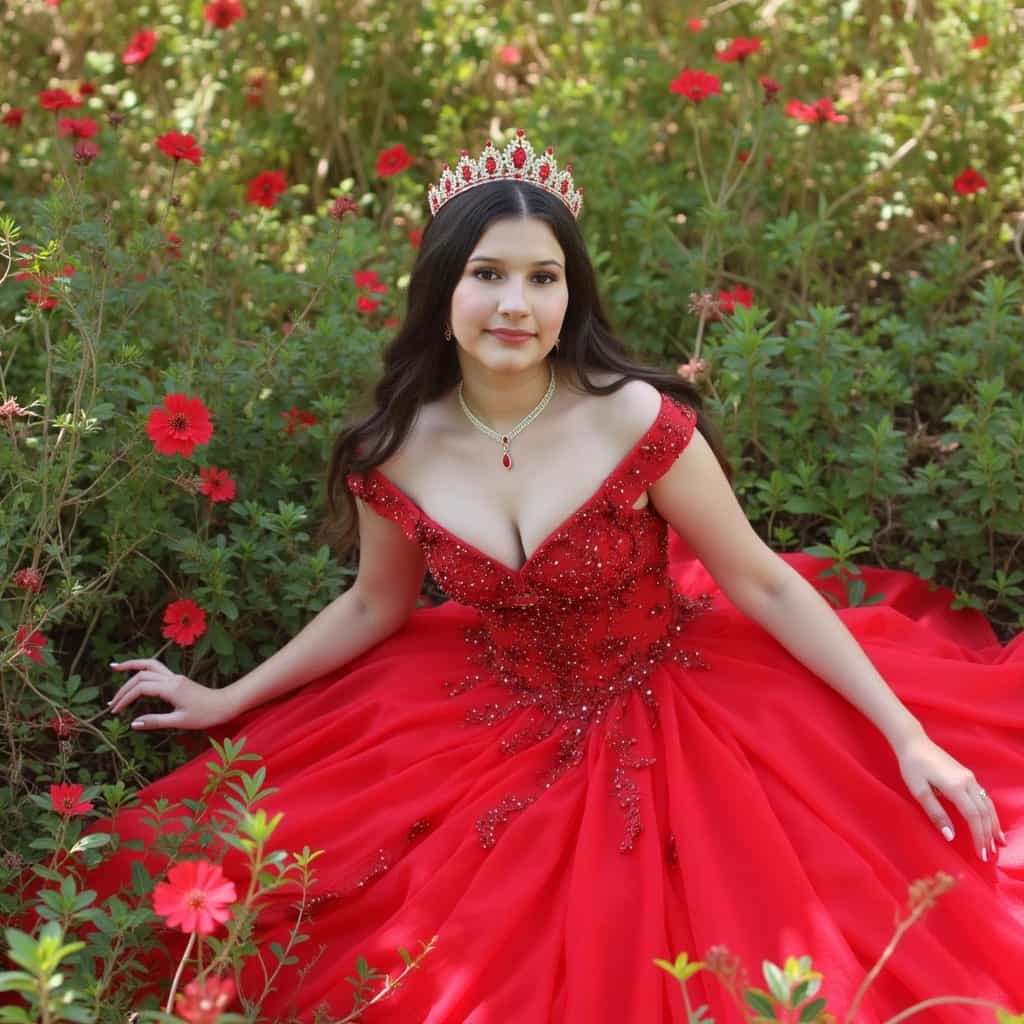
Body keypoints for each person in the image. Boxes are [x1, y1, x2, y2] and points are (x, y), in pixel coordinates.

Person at [98, 129, 1022, 1023]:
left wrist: (904, 734)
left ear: (571, 294)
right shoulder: (394, 449)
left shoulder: (634, 420)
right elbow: (375, 604)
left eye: (545, 278)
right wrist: (228, 698)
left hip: (680, 697)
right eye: (488, 274)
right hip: (484, 711)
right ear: (442, 287)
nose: (517, 305)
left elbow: (764, 582)